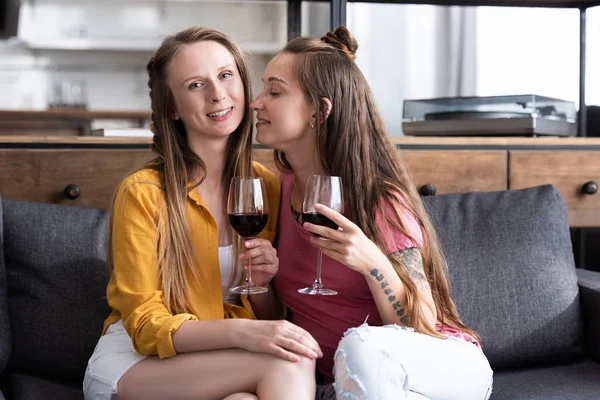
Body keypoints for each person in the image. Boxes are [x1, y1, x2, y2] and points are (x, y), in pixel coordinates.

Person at [250, 26, 494, 400]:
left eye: (275, 91)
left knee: (361, 348)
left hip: (442, 365)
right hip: (364, 385)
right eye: (262, 87)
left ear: (320, 109)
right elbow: (278, 322)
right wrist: (262, 283)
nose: (256, 102)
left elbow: (423, 325)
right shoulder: (277, 191)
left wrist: (372, 262)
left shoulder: (380, 200)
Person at [83, 26, 321, 400]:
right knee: (289, 360)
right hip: (136, 363)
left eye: (226, 75)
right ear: (172, 108)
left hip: (219, 362)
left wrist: (261, 283)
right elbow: (146, 328)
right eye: (196, 85)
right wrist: (247, 334)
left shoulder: (266, 187)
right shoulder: (143, 194)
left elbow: (267, 314)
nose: (218, 94)